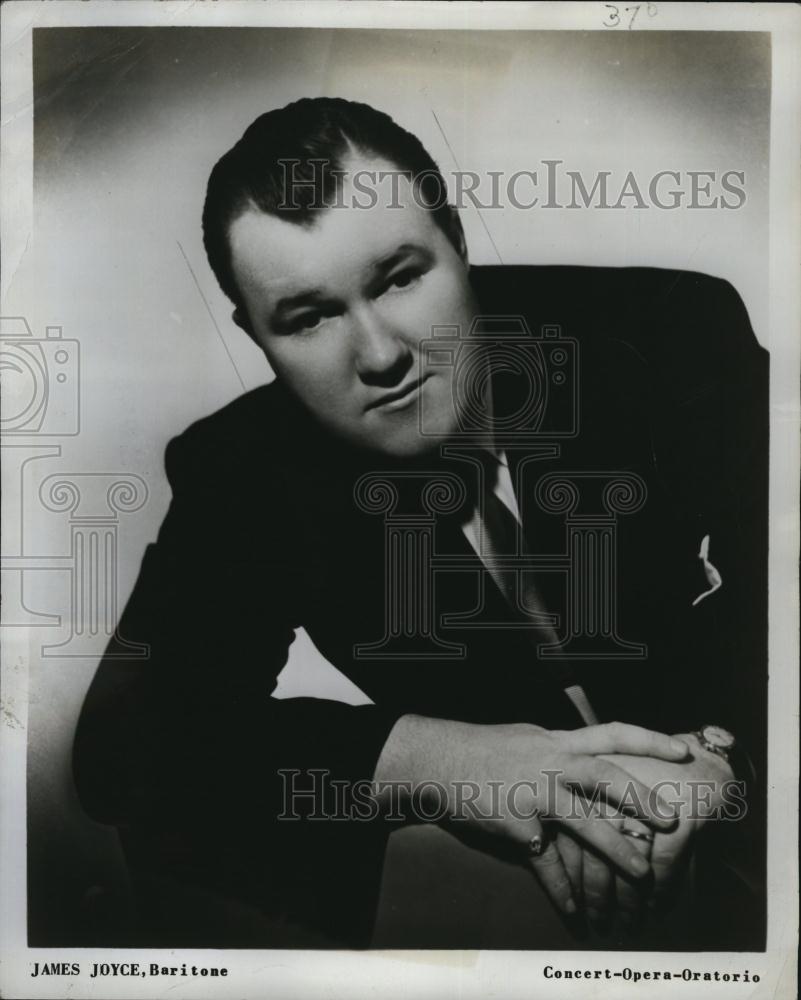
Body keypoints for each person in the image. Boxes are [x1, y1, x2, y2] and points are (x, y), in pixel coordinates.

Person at [73, 97, 767, 949]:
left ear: (460, 245)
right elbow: (126, 744)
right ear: (255, 335)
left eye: (399, 276)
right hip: (523, 899)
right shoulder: (246, 468)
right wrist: (447, 762)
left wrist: (719, 761)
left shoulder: (666, 337)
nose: (378, 354)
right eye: (309, 316)